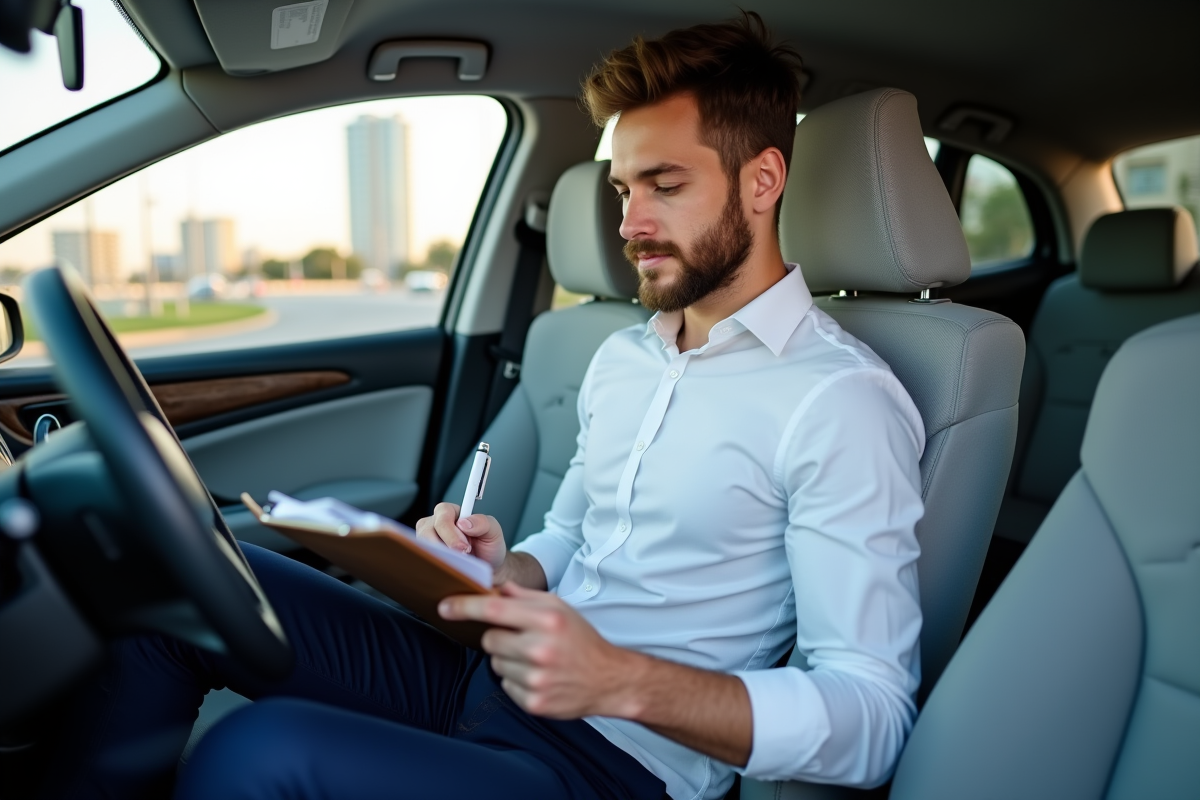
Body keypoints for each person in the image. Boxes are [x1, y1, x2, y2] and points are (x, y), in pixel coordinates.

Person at [40, 12, 924, 800]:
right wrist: (504, 573)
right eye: (622, 189)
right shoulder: (626, 356)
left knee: (262, 752)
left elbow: (874, 715)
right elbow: (576, 538)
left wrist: (615, 679)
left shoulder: (839, 401)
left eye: (665, 184)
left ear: (762, 181)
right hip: (489, 675)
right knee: (182, 580)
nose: (628, 222)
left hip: (614, 765)